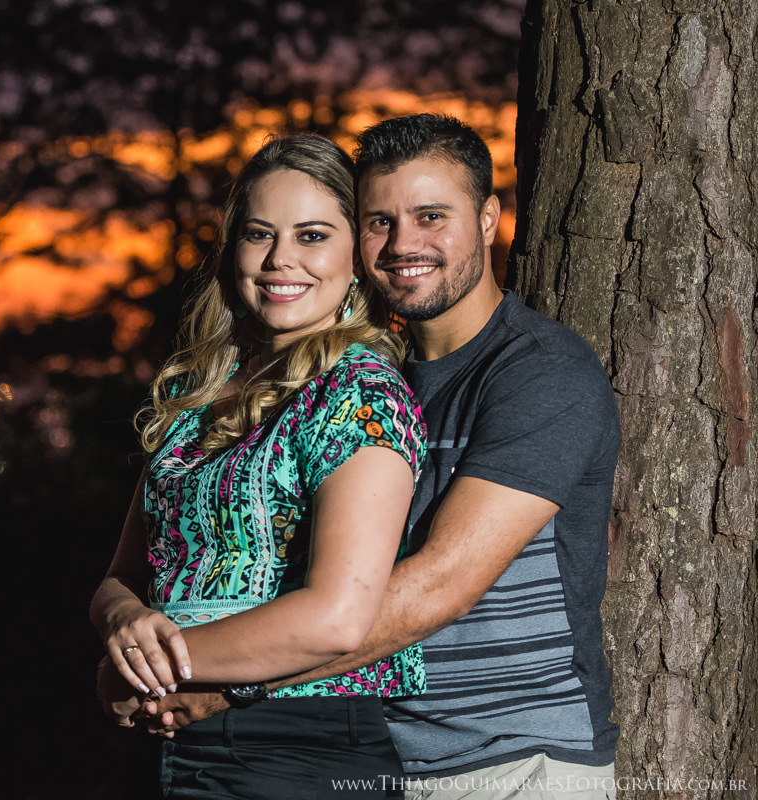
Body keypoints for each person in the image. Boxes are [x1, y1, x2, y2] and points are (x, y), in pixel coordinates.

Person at [128, 114, 622, 799]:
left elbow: (441, 584)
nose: (403, 244)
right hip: (380, 759)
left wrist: (223, 681)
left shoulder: (540, 372)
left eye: (431, 217)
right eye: (379, 222)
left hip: (512, 761)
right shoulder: (365, 380)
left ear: (487, 219)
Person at [89, 133, 428, 799]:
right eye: (259, 234)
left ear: (356, 258)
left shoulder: (360, 396)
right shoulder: (199, 396)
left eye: (312, 236)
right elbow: (120, 578)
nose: (280, 259)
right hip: (174, 743)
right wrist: (122, 625)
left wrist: (150, 670)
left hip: (300, 746)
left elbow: (338, 617)